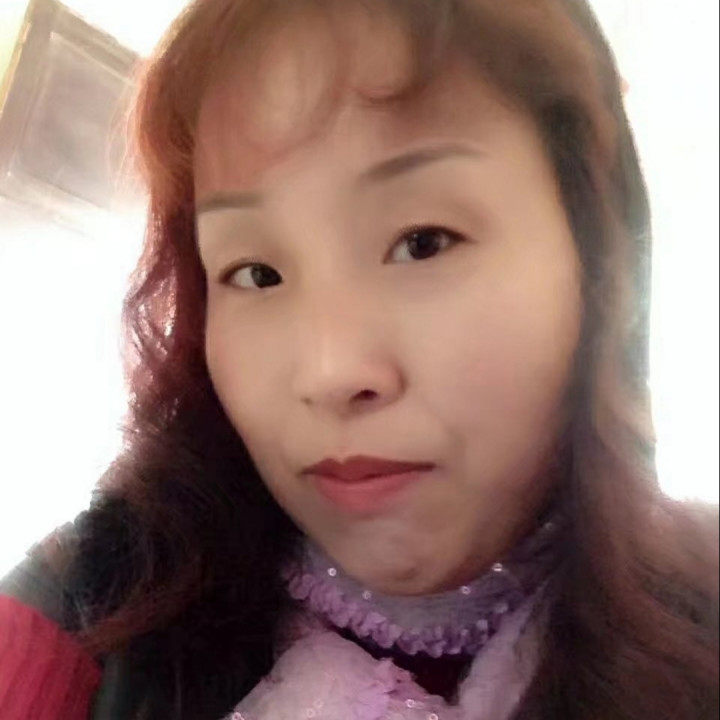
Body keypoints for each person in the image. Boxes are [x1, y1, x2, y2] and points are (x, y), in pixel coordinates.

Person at [1, 0, 717, 718]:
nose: (331, 372)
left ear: (598, 262)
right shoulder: (88, 607)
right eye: (256, 273)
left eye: (423, 243)